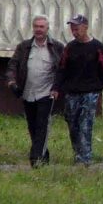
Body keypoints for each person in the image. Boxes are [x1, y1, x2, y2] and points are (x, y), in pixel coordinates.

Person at [51, 14, 103, 165]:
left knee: (85, 123)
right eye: (72, 29)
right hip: (72, 92)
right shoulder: (70, 48)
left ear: (86, 27)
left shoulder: (97, 48)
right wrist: (56, 88)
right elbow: (62, 69)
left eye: (77, 28)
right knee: (72, 123)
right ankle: (78, 153)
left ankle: (85, 158)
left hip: (91, 92)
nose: (75, 31)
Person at [6, 15, 64, 167]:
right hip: (28, 93)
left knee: (42, 125)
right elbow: (12, 65)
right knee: (32, 126)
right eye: (36, 26)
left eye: (41, 27)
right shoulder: (24, 46)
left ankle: (36, 158)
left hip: (47, 94)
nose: (38, 30)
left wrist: (57, 87)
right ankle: (43, 157)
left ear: (47, 29)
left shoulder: (56, 47)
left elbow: (63, 69)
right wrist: (11, 82)